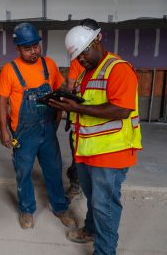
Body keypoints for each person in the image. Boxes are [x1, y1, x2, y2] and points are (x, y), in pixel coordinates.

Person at [49, 22, 142, 255]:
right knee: (94, 200)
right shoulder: (87, 73)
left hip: (111, 152)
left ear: (97, 41)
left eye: (85, 53)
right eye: (78, 58)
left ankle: (105, 250)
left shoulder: (118, 69)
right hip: (88, 150)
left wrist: (77, 109)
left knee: (105, 205)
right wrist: (67, 103)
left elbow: (121, 110)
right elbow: (87, 104)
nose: (82, 60)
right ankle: (91, 230)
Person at [0, 22, 77, 230]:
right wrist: (4, 129)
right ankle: (26, 209)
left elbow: (58, 93)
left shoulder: (49, 64)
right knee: (23, 171)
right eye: (27, 48)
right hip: (23, 132)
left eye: (36, 46)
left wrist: (57, 119)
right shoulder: (10, 70)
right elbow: (1, 101)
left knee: (53, 169)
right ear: (18, 49)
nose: (33, 51)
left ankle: (59, 207)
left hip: (47, 128)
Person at [64, 18, 100, 200]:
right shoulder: (85, 58)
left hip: (93, 120)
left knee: (80, 155)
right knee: (78, 154)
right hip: (80, 118)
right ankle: (77, 184)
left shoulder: (81, 59)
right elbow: (71, 85)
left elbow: (70, 86)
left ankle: (77, 184)